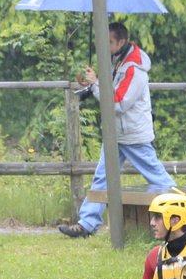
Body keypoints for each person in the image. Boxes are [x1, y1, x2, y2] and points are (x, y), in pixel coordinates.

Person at [59, 21, 175, 238]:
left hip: (133, 136)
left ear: (121, 42)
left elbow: (119, 103)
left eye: (109, 41)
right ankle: (87, 224)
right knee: (102, 178)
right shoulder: (119, 61)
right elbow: (110, 89)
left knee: (159, 180)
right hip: (117, 134)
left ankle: (183, 216)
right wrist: (91, 85)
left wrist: (95, 86)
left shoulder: (134, 69)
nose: (105, 45)